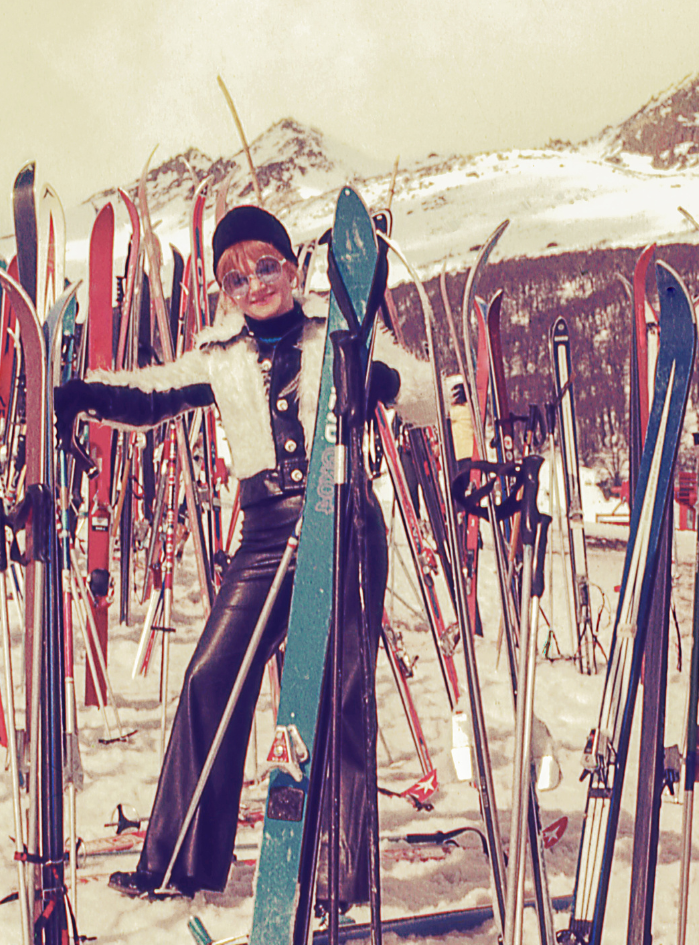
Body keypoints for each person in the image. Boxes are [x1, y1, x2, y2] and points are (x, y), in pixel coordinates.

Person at [53, 204, 435, 900]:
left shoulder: (341, 331)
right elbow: (152, 394)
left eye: (265, 266)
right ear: (223, 291)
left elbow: (429, 393)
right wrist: (85, 395)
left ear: (291, 267)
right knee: (210, 679)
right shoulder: (220, 355)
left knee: (337, 694)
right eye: (235, 276)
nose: (254, 284)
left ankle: (339, 875)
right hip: (263, 529)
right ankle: (178, 863)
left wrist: (380, 382)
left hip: (344, 517)